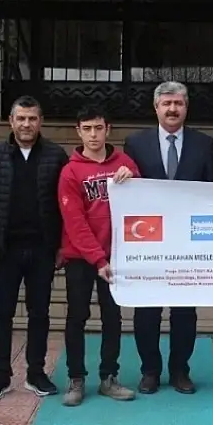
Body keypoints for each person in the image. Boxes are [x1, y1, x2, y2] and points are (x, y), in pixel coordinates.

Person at [122, 81, 213, 395]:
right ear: (156, 108)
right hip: (148, 239)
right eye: (167, 104)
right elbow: (129, 189)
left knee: (185, 311)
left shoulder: (203, 143)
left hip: (189, 240)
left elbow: (212, 191)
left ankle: (180, 370)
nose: (172, 109)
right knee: (147, 310)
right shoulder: (136, 143)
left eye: (178, 103)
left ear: (186, 107)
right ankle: (150, 370)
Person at [0, 96, 68, 400]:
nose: (26, 124)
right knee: (1, 313)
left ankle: (36, 372)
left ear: (40, 121)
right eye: (21, 118)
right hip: (5, 250)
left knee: (39, 312)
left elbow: (64, 205)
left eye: (32, 118)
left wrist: (62, 245)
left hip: (43, 249)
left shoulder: (56, 156)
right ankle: (1, 374)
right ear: (11, 121)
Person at [56, 105, 139, 407]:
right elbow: (74, 222)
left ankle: (109, 377)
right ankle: (76, 378)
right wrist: (97, 259)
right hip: (81, 258)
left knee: (112, 318)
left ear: (108, 129)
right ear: (78, 132)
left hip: (116, 256)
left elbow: (144, 198)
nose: (93, 134)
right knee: (77, 316)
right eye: (87, 128)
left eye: (98, 128)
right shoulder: (70, 171)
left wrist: (134, 176)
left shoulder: (124, 162)